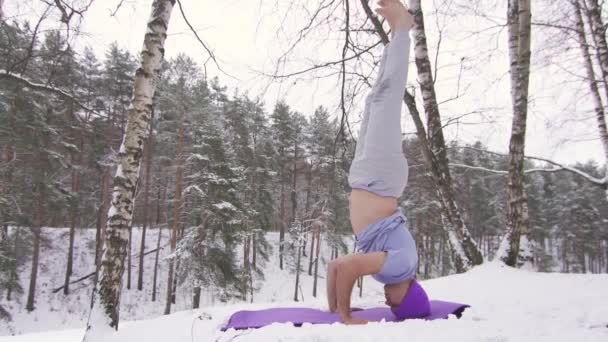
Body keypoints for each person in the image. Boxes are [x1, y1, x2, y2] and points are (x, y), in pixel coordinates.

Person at [325, 0, 430, 325]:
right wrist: (345, 314)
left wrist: (334, 310)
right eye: (398, 306)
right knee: (386, 98)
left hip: (366, 178)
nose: (389, 304)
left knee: (375, 99)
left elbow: (337, 267)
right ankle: (402, 30)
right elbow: (351, 267)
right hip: (380, 179)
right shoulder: (401, 269)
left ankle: (395, 35)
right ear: (410, 295)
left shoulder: (392, 274)